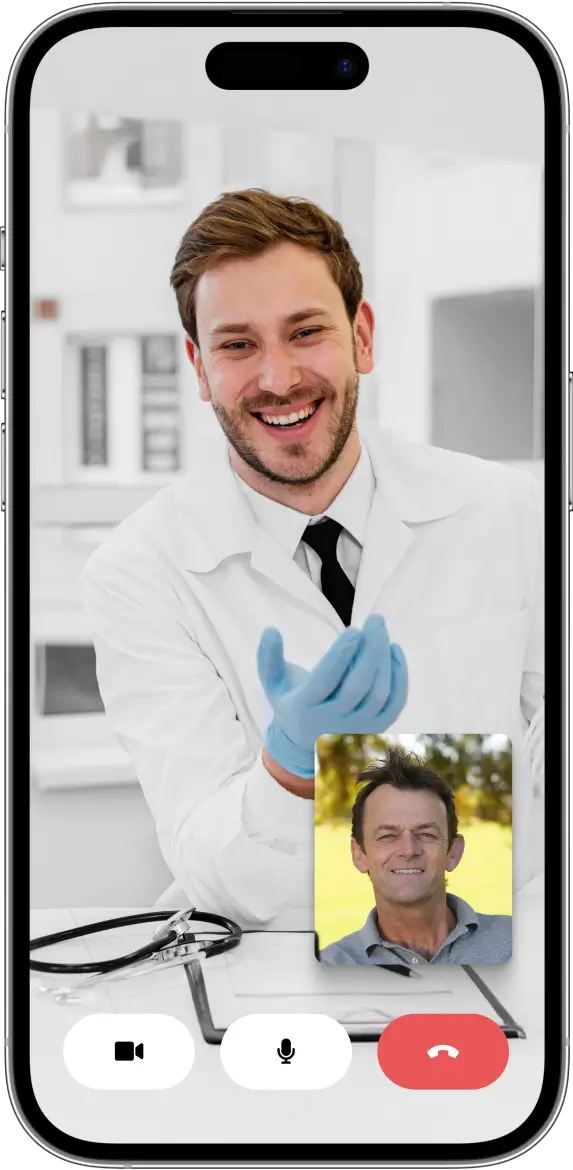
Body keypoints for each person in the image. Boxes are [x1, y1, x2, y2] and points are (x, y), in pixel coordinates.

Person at [80, 188, 543, 928]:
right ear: (199, 368)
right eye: (238, 345)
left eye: (305, 332)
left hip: (491, 941)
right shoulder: (138, 573)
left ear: (362, 336)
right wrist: (289, 769)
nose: (278, 379)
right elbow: (207, 863)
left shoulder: (509, 512)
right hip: (268, 955)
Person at [319, 747, 512, 966]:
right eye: (387, 836)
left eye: (426, 834)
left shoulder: (524, 943)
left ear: (453, 852)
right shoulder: (329, 968)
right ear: (358, 854)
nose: (409, 850)